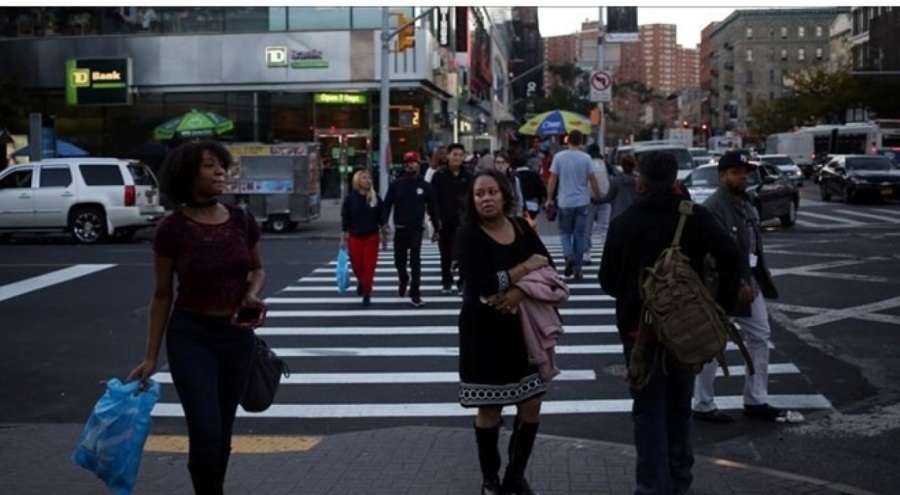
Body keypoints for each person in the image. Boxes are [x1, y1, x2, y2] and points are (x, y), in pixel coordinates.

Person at [127, 141, 266, 494]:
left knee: (222, 429)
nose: (221, 170)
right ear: (188, 174)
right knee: (205, 428)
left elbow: (257, 268)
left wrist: (251, 292)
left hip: (236, 337)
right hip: (191, 336)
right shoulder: (172, 229)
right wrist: (149, 357)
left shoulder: (241, 219)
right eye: (210, 165)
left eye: (222, 164)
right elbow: (161, 295)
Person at [599, 151, 741, 495]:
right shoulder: (695, 218)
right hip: (685, 333)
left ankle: (651, 487)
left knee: (647, 412)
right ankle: (680, 483)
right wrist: (721, 306)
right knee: (679, 409)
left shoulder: (624, 224)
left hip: (640, 333)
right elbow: (731, 255)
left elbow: (607, 281)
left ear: (640, 182)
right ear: (677, 180)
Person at [457, 168, 555, 495]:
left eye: (492, 192)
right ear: (473, 200)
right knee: (490, 408)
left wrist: (519, 291)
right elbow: (483, 282)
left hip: (522, 329)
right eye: (479, 194)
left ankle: (515, 476)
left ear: (504, 194)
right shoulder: (469, 234)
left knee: (532, 403)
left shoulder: (521, 227)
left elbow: (548, 261)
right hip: (482, 331)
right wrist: (525, 268)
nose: (486, 198)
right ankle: (491, 480)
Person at [692, 151, 797, 424]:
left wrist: (754, 279)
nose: (742, 176)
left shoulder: (748, 204)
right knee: (712, 344)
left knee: (760, 337)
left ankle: (756, 399)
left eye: (745, 172)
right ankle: (703, 403)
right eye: (736, 172)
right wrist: (737, 282)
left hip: (751, 286)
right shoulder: (713, 207)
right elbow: (712, 254)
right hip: (721, 288)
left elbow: (753, 248)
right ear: (723, 176)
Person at [382, 151, 440, 307]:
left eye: (413, 162)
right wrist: (384, 223)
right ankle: (403, 278)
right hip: (400, 228)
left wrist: (436, 228)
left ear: (419, 164)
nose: (410, 165)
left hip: (416, 229)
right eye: (407, 163)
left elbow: (433, 208)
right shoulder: (396, 185)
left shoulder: (425, 186)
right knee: (399, 261)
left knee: (415, 262)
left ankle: (415, 292)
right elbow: (387, 204)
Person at [544, 130, 601, 280]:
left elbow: (553, 179)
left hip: (565, 201)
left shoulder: (559, 157)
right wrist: (599, 195)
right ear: (581, 141)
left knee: (564, 232)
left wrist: (549, 198)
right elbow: (593, 180)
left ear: (568, 140)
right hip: (582, 201)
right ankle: (578, 270)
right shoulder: (586, 158)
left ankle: (568, 255)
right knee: (580, 236)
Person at [340, 169, 386, 307]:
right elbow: (345, 219)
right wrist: (343, 239)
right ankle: (362, 282)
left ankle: (366, 292)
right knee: (357, 266)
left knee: (369, 267)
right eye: (364, 178)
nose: (367, 180)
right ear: (357, 180)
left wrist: (384, 234)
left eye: (369, 178)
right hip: (355, 237)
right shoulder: (350, 199)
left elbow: (381, 218)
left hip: (371, 237)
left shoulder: (374, 197)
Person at [430, 142, 471, 293]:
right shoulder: (439, 176)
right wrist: (435, 220)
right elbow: (432, 199)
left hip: (463, 221)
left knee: (462, 253)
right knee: (445, 253)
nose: (457, 158)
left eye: (460, 155)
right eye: (454, 155)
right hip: (444, 220)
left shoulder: (468, 175)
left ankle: (462, 281)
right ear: (447, 156)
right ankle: (446, 280)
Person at [584, 143, 612, 265]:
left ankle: (586, 254)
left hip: (590, 200)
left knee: (587, 228)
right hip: (605, 199)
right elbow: (613, 178)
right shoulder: (605, 164)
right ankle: (607, 252)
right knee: (604, 228)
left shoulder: (587, 164)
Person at [600, 153, 639, 220]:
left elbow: (609, 197)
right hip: (634, 213)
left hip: (618, 213)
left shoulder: (617, 180)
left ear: (622, 165)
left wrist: (596, 200)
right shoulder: (638, 181)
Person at [493, 151, 525, 216]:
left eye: (503, 162)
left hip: (511, 214)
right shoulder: (491, 179)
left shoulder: (514, 180)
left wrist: (519, 214)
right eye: (498, 162)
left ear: (508, 164)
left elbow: (519, 199)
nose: (500, 165)